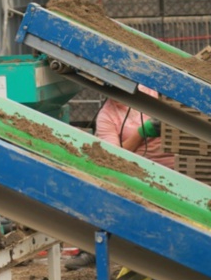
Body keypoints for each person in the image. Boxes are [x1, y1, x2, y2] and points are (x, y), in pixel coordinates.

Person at [65, 86, 174, 270]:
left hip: (177, 168)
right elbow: (113, 159)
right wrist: (141, 134)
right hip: (140, 174)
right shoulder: (107, 116)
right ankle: (94, 249)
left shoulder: (151, 91)